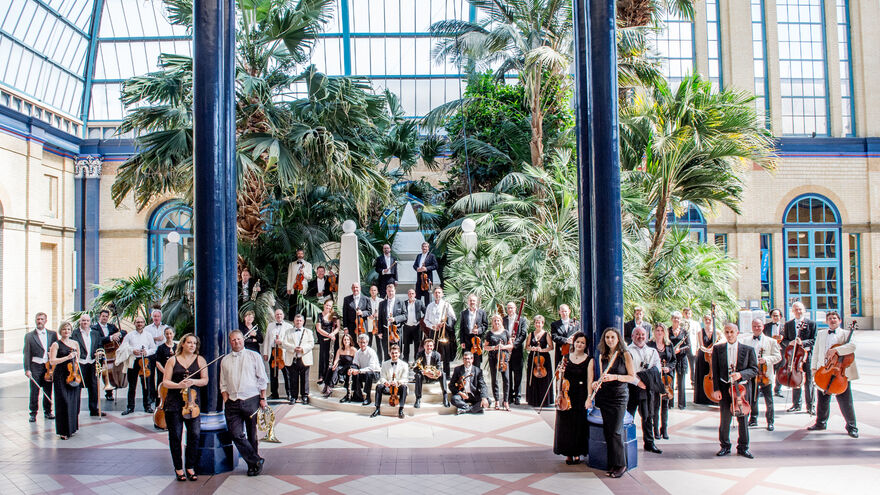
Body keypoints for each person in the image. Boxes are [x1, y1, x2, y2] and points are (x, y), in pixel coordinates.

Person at [220, 330, 268, 476]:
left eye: (239, 339)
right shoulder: (225, 360)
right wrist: (226, 400)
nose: (237, 342)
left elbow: (262, 378)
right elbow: (223, 383)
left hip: (251, 398)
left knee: (252, 434)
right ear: (230, 342)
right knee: (235, 434)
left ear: (243, 339)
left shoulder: (254, 356)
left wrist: (262, 398)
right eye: (233, 340)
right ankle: (256, 460)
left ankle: (252, 466)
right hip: (232, 401)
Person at [162, 333, 208, 482]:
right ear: (182, 344)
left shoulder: (200, 360)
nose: (192, 345)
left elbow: (205, 380)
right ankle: (178, 468)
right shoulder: (172, 360)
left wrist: (193, 381)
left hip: (192, 404)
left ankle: (190, 466)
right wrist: (179, 385)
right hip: (174, 403)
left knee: (194, 434)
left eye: (194, 343)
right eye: (189, 343)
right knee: (175, 436)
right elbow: (165, 382)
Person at [591, 327, 636, 478]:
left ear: (618, 339)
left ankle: (621, 464)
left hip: (619, 396)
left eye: (612, 337)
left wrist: (615, 377)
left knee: (616, 431)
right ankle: (612, 463)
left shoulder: (625, 355)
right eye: (607, 337)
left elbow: (631, 377)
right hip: (605, 396)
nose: (610, 340)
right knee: (608, 431)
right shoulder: (602, 356)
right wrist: (596, 383)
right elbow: (601, 376)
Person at [807, 311, 859, 438]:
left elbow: (852, 347)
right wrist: (813, 368)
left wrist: (835, 350)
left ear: (839, 320)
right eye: (829, 318)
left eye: (834, 318)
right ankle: (820, 423)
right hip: (824, 371)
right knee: (822, 400)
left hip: (839, 373)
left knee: (845, 401)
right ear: (826, 321)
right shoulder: (821, 334)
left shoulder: (846, 334)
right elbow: (816, 351)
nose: (832, 320)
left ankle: (852, 426)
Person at [712, 323, 759, 459]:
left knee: (743, 419)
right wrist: (716, 389)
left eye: (732, 332)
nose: (729, 334)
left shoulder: (748, 349)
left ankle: (743, 447)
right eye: (727, 332)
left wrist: (740, 374)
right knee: (725, 419)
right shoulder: (718, 349)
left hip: (741, 389)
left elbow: (754, 369)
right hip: (725, 388)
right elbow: (715, 371)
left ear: (737, 332)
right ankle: (725, 446)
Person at [554, 332, 593, 465]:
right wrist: (559, 393)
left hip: (580, 394)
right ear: (573, 343)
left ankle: (577, 452)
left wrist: (589, 398)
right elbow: (560, 378)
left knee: (578, 424)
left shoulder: (589, 360)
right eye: (577, 342)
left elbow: (589, 380)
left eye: (582, 342)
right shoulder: (565, 357)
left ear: (585, 345)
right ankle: (568, 453)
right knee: (565, 424)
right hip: (567, 394)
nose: (579, 344)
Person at [627, 326, 663, 454]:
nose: (640, 337)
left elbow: (657, 368)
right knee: (628, 416)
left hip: (646, 388)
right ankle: (626, 441)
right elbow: (628, 371)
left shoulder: (652, 351)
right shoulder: (627, 351)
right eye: (637, 334)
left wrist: (646, 380)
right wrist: (638, 382)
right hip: (631, 388)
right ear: (632, 336)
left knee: (647, 416)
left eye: (643, 334)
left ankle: (649, 443)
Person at [741, 318, 781, 431]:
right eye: (754, 326)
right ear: (752, 327)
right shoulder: (746, 341)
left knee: (769, 399)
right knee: (753, 398)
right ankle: (753, 419)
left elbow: (778, 357)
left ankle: (770, 421)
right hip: (752, 374)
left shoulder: (771, 341)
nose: (757, 328)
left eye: (759, 326)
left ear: (763, 327)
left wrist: (766, 359)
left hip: (765, 375)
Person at [49, 321, 83, 439]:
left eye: (68, 329)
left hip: (73, 374)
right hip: (60, 375)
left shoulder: (75, 343)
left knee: (73, 402)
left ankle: (72, 428)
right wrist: (67, 358)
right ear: (60, 331)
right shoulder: (56, 344)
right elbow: (52, 361)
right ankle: (63, 431)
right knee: (63, 402)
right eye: (64, 329)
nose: (66, 331)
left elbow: (78, 358)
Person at [782, 301, 817, 414]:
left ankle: (811, 405)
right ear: (792, 311)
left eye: (800, 309)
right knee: (795, 379)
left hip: (806, 356)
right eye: (796, 309)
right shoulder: (788, 324)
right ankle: (796, 404)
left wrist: (802, 342)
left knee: (809, 381)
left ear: (804, 310)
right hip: (794, 357)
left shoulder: (811, 323)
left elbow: (814, 340)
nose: (798, 311)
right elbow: (784, 341)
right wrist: (790, 343)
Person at [24, 312, 57, 422]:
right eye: (38, 319)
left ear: (45, 321)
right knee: (34, 391)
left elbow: (56, 350)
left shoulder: (52, 334)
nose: (40, 321)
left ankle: (48, 411)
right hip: (35, 366)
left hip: (47, 366)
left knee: (48, 390)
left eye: (42, 319)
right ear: (35, 320)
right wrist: (27, 369)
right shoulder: (29, 336)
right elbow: (27, 354)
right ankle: (33, 413)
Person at [122, 316, 157, 415]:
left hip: (144, 361)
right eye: (138, 322)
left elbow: (153, 349)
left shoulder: (148, 335)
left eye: (141, 322)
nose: (139, 324)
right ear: (134, 323)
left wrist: (146, 352)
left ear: (144, 323)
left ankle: (147, 406)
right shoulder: (130, 335)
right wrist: (132, 350)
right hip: (133, 360)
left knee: (146, 385)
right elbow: (124, 347)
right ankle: (130, 407)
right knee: (132, 385)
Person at [71, 314, 104, 417]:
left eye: (87, 321)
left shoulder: (95, 333)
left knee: (94, 387)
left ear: (90, 322)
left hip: (92, 363)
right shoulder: (75, 333)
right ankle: (75, 410)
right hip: (80, 363)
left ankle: (94, 410)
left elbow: (99, 346)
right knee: (77, 387)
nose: (85, 322)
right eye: (83, 320)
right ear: (80, 322)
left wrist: (98, 353)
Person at [647, 323, 675, 440]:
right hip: (655, 378)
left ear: (665, 332)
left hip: (666, 378)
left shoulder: (669, 345)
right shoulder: (650, 345)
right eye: (657, 330)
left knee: (665, 405)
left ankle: (664, 429)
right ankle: (656, 430)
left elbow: (674, 360)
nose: (659, 333)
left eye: (661, 331)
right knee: (655, 405)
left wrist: (668, 367)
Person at [423, 286, 457, 376]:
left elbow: (453, 317)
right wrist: (433, 326)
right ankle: (432, 373)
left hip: (444, 331)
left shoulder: (446, 305)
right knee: (431, 351)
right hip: (433, 330)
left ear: (442, 294)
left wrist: (444, 324)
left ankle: (446, 374)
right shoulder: (430, 306)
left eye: (439, 293)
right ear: (433, 294)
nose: (437, 294)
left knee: (445, 353)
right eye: (436, 293)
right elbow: (425, 320)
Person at [282, 314, 314, 405]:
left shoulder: (308, 332)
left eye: (300, 320)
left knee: (305, 378)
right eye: (297, 320)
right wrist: (294, 348)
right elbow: (284, 343)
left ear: (303, 322)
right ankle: (293, 397)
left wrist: (302, 349)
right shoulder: (288, 332)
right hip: (293, 358)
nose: (298, 322)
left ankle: (304, 396)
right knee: (293, 378)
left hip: (304, 358)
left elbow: (311, 343)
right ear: (294, 321)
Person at [92, 309, 124, 399]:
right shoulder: (94, 328)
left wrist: (118, 334)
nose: (105, 318)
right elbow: (98, 339)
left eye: (106, 316)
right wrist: (110, 337)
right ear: (100, 317)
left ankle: (109, 393)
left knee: (109, 372)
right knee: (97, 375)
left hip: (110, 354)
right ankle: (95, 395)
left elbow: (123, 332)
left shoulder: (111, 326)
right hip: (99, 353)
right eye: (103, 316)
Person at [371, 344, 409, 419]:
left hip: (398, 388)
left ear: (399, 353)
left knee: (404, 387)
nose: (394, 355)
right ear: (389, 353)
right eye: (392, 353)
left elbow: (405, 379)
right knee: (379, 386)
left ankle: (401, 409)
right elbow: (382, 377)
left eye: (396, 353)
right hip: (388, 387)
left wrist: (397, 383)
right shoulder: (385, 364)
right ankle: (377, 408)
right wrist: (386, 382)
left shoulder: (404, 364)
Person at [262, 308, 292, 400]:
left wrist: (281, 342)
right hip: (272, 351)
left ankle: (289, 393)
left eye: (280, 314)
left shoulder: (289, 326)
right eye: (277, 314)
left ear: (283, 315)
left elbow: (290, 340)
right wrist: (266, 353)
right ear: (275, 316)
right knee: (273, 374)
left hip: (283, 352)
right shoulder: (270, 325)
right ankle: (274, 393)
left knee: (286, 374)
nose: (279, 316)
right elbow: (266, 340)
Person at [483, 314, 512, 411]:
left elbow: (510, 345)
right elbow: (485, 347)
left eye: (498, 320)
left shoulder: (506, 332)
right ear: (493, 323)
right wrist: (493, 348)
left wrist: (503, 347)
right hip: (493, 358)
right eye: (495, 320)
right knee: (494, 379)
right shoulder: (489, 333)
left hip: (503, 358)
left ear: (501, 321)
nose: (497, 322)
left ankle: (506, 401)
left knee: (506, 379)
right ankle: (496, 401)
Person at [525, 315, 554, 407]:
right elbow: (527, 347)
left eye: (540, 322)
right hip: (533, 358)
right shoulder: (531, 334)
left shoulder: (546, 334)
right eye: (536, 322)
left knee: (544, 379)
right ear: (534, 324)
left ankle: (545, 400)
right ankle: (533, 400)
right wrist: (532, 348)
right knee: (532, 379)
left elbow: (551, 347)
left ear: (542, 324)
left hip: (543, 359)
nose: (538, 324)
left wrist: (542, 350)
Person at [503, 301, 528, 405]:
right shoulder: (503, 320)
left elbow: (523, 334)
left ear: (515, 309)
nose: (510, 310)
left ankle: (517, 395)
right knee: (508, 375)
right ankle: (509, 396)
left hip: (517, 351)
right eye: (508, 308)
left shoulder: (522, 320)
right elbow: (501, 332)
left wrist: (514, 344)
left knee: (518, 375)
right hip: (507, 351)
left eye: (512, 308)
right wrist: (507, 344)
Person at [694, 313, 722, 405]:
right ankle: (703, 398)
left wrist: (714, 347)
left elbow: (722, 341)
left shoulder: (717, 332)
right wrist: (708, 350)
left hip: (714, 356)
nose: (708, 321)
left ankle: (714, 397)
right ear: (703, 321)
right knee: (703, 376)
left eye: (709, 320)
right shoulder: (700, 332)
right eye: (706, 320)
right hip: (703, 356)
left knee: (715, 374)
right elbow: (701, 345)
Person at [413, 338, 449, 408]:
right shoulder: (419, 354)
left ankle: (445, 397)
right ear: (424, 346)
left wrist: (437, 372)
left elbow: (439, 366)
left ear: (433, 347)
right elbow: (415, 368)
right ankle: (418, 399)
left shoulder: (437, 354)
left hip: (433, 376)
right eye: (427, 346)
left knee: (443, 374)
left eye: (430, 346)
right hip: (424, 376)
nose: (429, 347)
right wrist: (425, 372)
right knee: (418, 375)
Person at [144, 309, 169, 404]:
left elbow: (168, 338)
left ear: (161, 317)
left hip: (162, 353)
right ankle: (151, 397)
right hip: (151, 353)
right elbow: (146, 340)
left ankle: (160, 395)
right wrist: (155, 338)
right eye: (154, 316)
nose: (156, 318)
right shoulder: (147, 328)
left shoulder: (165, 327)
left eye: (158, 316)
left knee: (161, 375)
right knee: (150, 376)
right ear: (152, 317)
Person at [348, 334, 381, 405]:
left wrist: (359, 371)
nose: (362, 344)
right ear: (358, 342)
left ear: (367, 343)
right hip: (364, 372)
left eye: (364, 342)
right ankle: (357, 395)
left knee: (368, 373)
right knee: (354, 371)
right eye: (360, 342)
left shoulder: (371, 352)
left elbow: (371, 368)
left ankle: (368, 397)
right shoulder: (358, 352)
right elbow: (355, 364)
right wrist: (352, 369)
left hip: (375, 374)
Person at [377, 284, 405, 362]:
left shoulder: (400, 302)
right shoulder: (382, 303)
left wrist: (395, 319)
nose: (390, 293)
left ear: (395, 291)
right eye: (389, 291)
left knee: (397, 352)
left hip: (396, 332)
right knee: (387, 353)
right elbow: (380, 318)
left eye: (392, 291)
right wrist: (380, 332)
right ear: (386, 291)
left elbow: (405, 316)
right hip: (386, 331)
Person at [458, 294, 488, 368]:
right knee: (467, 361)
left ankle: (477, 378)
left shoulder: (482, 312)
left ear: (476, 302)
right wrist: (462, 341)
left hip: (477, 340)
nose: (472, 302)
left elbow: (485, 325)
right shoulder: (463, 313)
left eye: (473, 301)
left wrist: (478, 330)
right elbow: (461, 328)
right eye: (470, 301)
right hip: (467, 340)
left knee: (477, 362)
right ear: (468, 302)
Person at [315, 300, 340, 385]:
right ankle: (322, 376)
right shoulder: (319, 315)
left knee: (332, 358)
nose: (328, 307)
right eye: (327, 305)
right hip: (324, 338)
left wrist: (332, 334)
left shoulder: (334, 315)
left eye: (330, 306)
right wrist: (329, 335)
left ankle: (332, 377)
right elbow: (318, 328)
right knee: (324, 357)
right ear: (324, 305)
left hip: (333, 339)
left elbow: (338, 327)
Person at [668, 312, 689, 409]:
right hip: (671, 359)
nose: (676, 320)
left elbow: (688, 346)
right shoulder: (667, 331)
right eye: (675, 318)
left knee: (681, 382)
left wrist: (679, 350)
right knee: (670, 381)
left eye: (678, 318)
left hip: (681, 358)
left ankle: (681, 404)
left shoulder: (684, 332)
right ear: (672, 319)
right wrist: (672, 351)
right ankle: (670, 403)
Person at [763, 308, 785, 397]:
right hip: (770, 350)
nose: (775, 317)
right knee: (768, 370)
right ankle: (766, 389)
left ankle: (778, 390)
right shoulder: (766, 326)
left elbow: (788, 339)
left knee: (780, 371)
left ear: (780, 316)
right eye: (774, 315)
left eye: (777, 315)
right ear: (771, 316)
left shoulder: (785, 327)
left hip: (781, 350)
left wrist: (782, 338)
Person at [400, 289, 425, 363]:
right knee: (406, 345)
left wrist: (422, 321)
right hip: (406, 326)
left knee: (417, 345)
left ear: (415, 294)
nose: (411, 295)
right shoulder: (404, 303)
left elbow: (425, 311)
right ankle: (405, 361)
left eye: (412, 293)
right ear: (408, 295)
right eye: (410, 293)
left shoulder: (419, 302)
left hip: (416, 327)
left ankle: (417, 362)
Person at [286, 248, 313, 314]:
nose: (300, 255)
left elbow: (310, 277)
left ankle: (303, 321)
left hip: (303, 288)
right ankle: (291, 320)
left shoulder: (308, 265)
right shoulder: (291, 264)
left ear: (303, 255)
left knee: (303, 306)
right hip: (293, 287)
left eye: (301, 253)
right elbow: (289, 277)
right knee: (292, 305)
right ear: (296, 255)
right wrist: (288, 288)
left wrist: (303, 273)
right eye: (298, 254)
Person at [413, 242, 438, 306]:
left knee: (427, 298)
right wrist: (417, 268)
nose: (424, 248)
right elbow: (414, 265)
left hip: (427, 280)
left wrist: (426, 268)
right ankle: (417, 314)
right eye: (423, 247)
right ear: (421, 248)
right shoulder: (419, 256)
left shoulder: (431, 256)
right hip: (419, 279)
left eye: (426, 247)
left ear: (428, 248)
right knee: (417, 297)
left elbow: (435, 266)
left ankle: (426, 314)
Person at [682, 307, 701, 383]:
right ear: (683, 314)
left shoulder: (695, 324)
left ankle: (693, 380)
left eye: (689, 313)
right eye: (686, 313)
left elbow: (698, 335)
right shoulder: (681, 323)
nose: (687, 315)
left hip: (692, 345)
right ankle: (678, 382)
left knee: (693, 364)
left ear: (691, 314)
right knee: (681, 364)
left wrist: (698, 347)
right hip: (683, 346)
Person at [367, 285, 383, 351]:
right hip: (370, 323)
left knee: (379, 344)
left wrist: (378, 314)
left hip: (378, 323)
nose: (373, 292)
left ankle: (380, 360)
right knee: (369, 342)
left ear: (377, 291)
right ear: (369, 291)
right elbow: (365, 310)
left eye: (374, 290)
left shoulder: (381, 301)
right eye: (372, 290)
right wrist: (369, 315)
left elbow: (384, 312)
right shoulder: (367, 300)